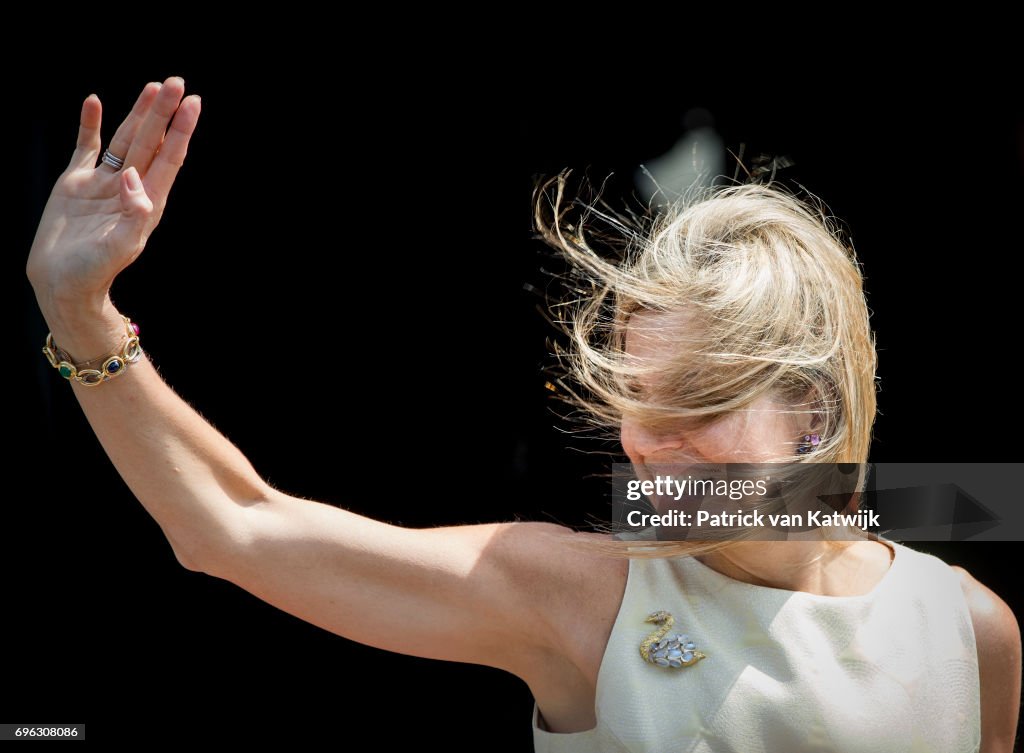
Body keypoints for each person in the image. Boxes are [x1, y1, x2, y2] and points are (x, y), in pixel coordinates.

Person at [27, 76, 1020, 752]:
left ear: (811, 412)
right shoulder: (572, 591)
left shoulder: (973, 629)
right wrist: (82, 310)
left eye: (698, 404)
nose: (651, 444)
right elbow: (233, 527)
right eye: (637, 401)